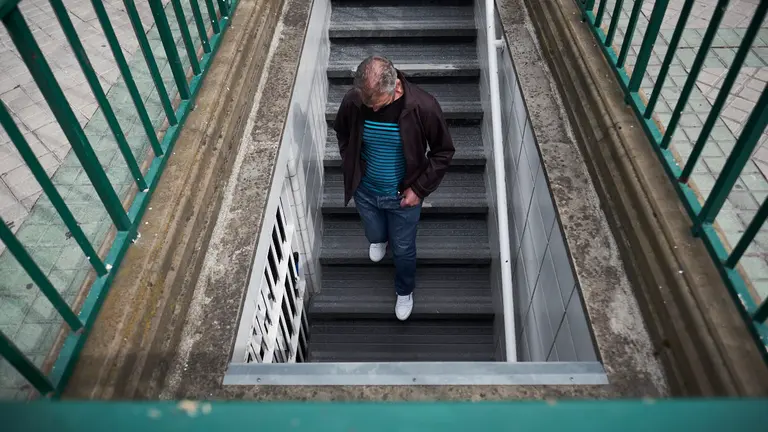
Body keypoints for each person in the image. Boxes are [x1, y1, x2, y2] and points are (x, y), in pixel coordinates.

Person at [333, 56, 455, 321]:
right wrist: (351, 162)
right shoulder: (356, 99)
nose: (372, 110)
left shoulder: (423, 106)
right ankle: (379, 239)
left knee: (403, 250)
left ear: (396, 88)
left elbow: (443, 152)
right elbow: (341, 131)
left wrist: (419, 190)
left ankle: (404, 290)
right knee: (374, 233)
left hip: (402, 198)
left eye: (377, 105)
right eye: (368, 105)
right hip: (365, 191)